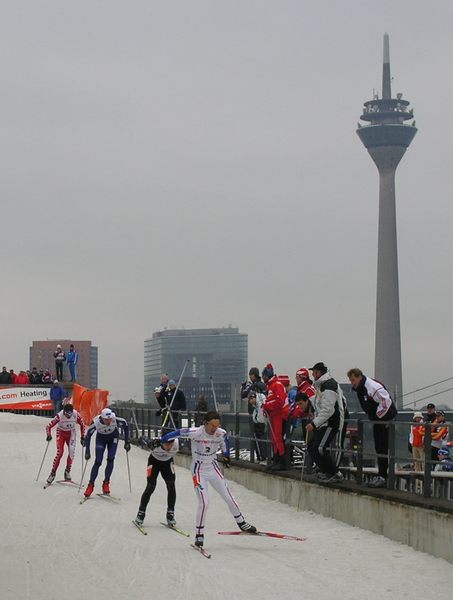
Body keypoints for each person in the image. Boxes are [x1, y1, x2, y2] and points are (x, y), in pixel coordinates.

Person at [161, 411, 256, 548]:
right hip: (198, 470)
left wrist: (226, 456)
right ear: (205, 423)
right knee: (204, 502)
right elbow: (176, 433)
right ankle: (199, 534)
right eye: (212, 426)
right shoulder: (195, 432)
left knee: (228, 496)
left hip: (213, 467)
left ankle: (241, 522)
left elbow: (225, 442)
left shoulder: (220, 433)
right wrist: (164, 439)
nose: (214, 429)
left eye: (217, 426)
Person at [347, 367, 397, 488]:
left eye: (353, 380)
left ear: (359, 377)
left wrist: (377, 416)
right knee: (379, 447)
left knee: (382, 447)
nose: (352, 383)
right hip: (378, 420)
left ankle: (382, 476)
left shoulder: (372, 387)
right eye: (350, 380)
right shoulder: (360, 388)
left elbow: (386, 401)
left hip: (384, 418)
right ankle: (381, 475)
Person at [305, 362, 344, 483]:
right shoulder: (321, 386)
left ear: (318, 372)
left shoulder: (329, 385)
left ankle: (335, 473)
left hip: (331, 423)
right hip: (323, 423)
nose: (312, 374)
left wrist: (314, 423)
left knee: (320, 448)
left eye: (314, 372)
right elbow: (320, 406)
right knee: (311, 446)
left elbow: (328, 410)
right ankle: (325, 471)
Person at [83, 407, 131, 497]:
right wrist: (87, 451)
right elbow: (88, 435)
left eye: (109, 419)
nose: (109, 422)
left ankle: (106, 483)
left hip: (113, 438)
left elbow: (125, 425)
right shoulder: (96, 422)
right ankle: (90, 485)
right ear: (102, 418)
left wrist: (127, 442)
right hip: (101, 439)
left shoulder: (115, 419)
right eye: (106, 420)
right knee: (98, 461)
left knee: (111, 458)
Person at [134, 435, 179, 527]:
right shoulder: (154, 444)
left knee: (171, 486)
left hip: (167, 463)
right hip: (154, 462)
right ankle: (141, 513)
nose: (169, 447)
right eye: (166, 445)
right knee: (151, 486)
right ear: (162, 442)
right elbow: (141, 438)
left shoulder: (178, 443)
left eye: (171, 444)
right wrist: (140, 442)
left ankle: (170, 514)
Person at [45, 403, 86, 484]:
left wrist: (83, 437)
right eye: (67, 414)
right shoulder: (59, 416)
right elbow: (48, 426)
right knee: (60, 452)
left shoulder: (76, 414)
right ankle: (52, 473)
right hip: (61, 432)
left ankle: (67, 471)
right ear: (64, 412)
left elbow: (82, 425)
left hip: (71, 433)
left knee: (71, 452)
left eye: (70, 414)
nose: (68, 416)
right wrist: (49, 435)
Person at [260, 363, 290, 471]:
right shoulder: (272, 386)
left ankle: (282, 461)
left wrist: (267, 405)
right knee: (275, 438)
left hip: (280, 414)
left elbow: (279, 401)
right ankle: (277, 460)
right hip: (275, 415)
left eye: (263, 375)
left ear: (267, 375)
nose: (262, 378)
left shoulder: (276, 385)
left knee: (278, 437)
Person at [241, 367, 268, 462]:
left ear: (253, 375)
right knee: (263, 437)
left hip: (256, 416)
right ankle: (265, 456)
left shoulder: (254, 386)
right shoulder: (264, 385)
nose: (250, 377)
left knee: (256, 437)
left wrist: (244, 386)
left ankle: (261, 457)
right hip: (263, 417)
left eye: (250, 375)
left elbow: (243, 394)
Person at [410, 412, 425, 493]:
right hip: (414, 445)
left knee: (423, 463)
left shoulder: (423, 425)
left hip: (421, 446)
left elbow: (424, 435)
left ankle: (424, 481)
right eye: (416, 417)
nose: (418, 418)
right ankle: (418, 483)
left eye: (419, 417)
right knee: (416, 464)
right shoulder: (413, 425)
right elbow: (411, 435)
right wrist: (411, 443)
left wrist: (424, 443)